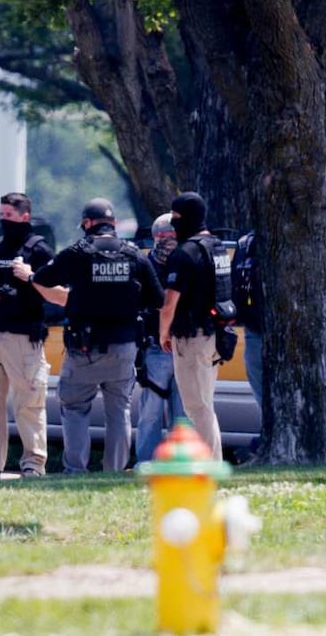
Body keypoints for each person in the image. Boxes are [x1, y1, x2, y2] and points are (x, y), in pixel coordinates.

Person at [15, 198, 163, 473]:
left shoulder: (77, 253)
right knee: (119, 412)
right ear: (114, 224)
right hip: (124, 347)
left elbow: (44, 279)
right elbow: (157, 298)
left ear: (86, 224)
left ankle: (75, 471)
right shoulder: (134, 254)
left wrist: (33, 275)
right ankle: (115, 472)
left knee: (75, 409)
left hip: (85, 349)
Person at [0, 193, 55, 478]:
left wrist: (31, 276)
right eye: (1, 215)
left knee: (29, 404)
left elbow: (61, 296)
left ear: (24, 216)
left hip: (25, 339)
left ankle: (33, 465)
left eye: (9, 215)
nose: (3, 220)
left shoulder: (40, 250)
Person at [158, 192, 229, 461]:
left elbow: (169, 304)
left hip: (192, 337)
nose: (173, 223)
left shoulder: (185, 252)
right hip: (215, 335)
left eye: (176, 217)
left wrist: (163, 333)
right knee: (204, 404)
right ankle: (211, 461)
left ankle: (208, 465)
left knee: (197, 407)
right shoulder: (217, 247)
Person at [134, 213, 185, 464]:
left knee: (183, 414)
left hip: (184, 345)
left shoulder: (186, 261)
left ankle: (181, 464)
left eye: (174, 236)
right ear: (157, 238)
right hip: (155, 349)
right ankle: (147, 463)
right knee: (150, 413)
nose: (171, 242)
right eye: (167, 237)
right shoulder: (145, 266)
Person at [233, 229, 267, 458]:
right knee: (261, 393)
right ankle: (268, 435)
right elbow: (235, 285)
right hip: (254, 330)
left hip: (286, 332)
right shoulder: (245, 245)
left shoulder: (288, 239)